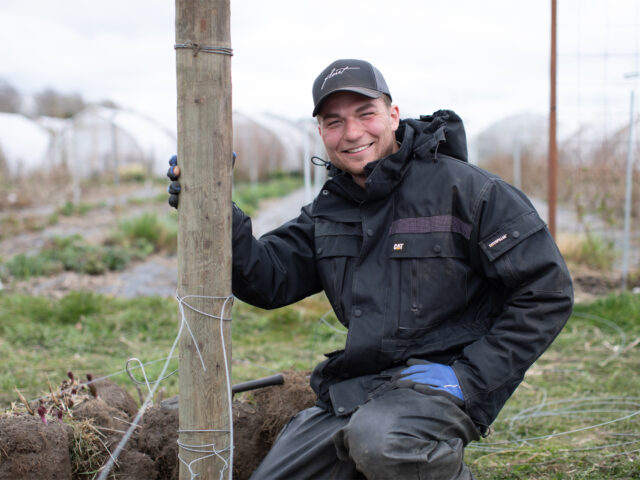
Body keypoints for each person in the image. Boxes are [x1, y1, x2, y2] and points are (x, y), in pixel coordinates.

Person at [168, 59, 574, 479]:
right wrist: (214, 206)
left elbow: (546, 292)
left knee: (382, 442)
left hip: (440, 384)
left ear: (393, 115)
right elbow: (268, 278)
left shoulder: (469, 191)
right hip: (364, 387)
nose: (352, 133)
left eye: (366, 114)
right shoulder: (334, 209)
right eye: (334, 122)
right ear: (322, 132)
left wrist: (470, 375)